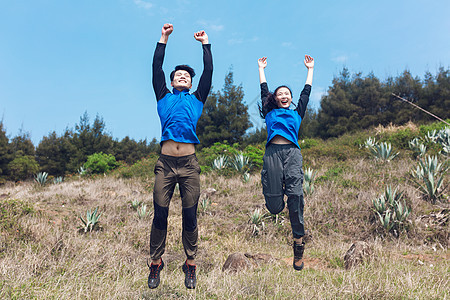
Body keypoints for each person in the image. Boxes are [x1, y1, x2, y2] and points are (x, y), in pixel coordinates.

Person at [147, 23, 213, 290]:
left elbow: (208, 71)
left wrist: (205, 44)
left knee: (190, 216)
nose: (183, 76)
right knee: (160, 214)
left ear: (191, 82)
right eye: (179, 75)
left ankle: (190, 263)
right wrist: (163, 38)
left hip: (188, 165)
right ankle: (155, 262)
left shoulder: (197, 99)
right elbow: (156, 68)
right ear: (172, 81)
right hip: (165, 165)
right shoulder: (163, 96)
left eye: (187, 75)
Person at [257, 55, 314, 271]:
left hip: (292, 152)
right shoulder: (269, 111)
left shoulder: (297, 113)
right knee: (274, 208)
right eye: (280, 93)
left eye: (287, 93)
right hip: (272, 152)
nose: (284, 95)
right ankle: (277, 202)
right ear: (275, 98)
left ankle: (298, 244)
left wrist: (310, 69)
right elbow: (264, 89)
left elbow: (306, 93)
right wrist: (261, 69)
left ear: (290, 99)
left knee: (296, 196)